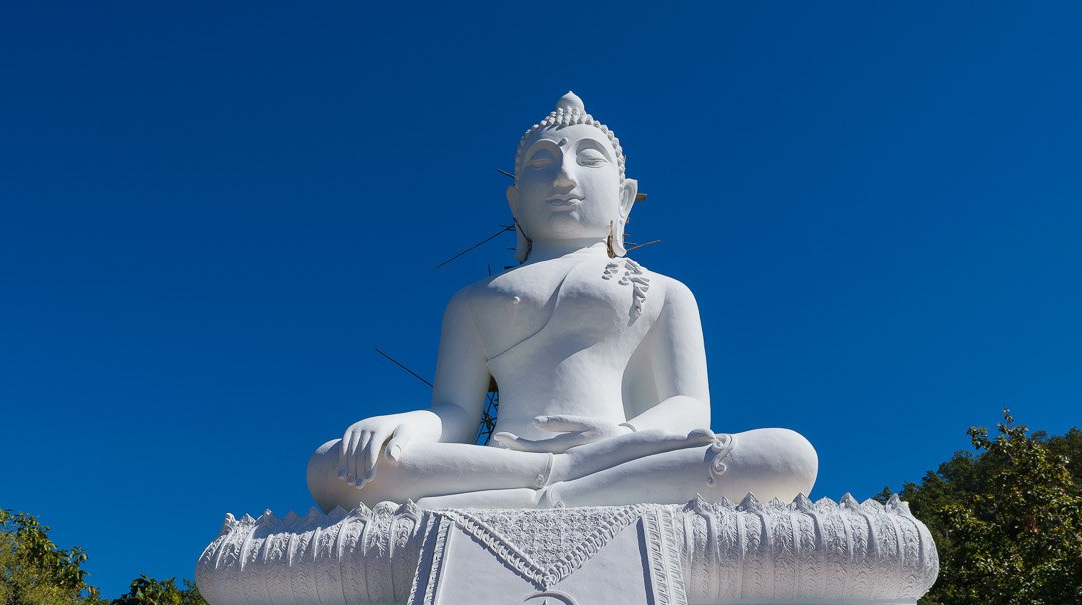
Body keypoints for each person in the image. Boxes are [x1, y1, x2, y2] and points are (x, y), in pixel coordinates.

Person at [307, 92, 818, 512]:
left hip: (621, 454)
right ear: (515, 203)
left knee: (788, 455)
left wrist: (621, 438)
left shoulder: (665, 291)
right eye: (542, 163)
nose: (563, 177)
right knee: (331, 467)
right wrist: (403, 425)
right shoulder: (472, 301)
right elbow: (455, 413)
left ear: (623, 197)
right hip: (506, 460)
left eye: (588, 159)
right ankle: (554, 480)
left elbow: (688, 407)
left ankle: (553, 486)